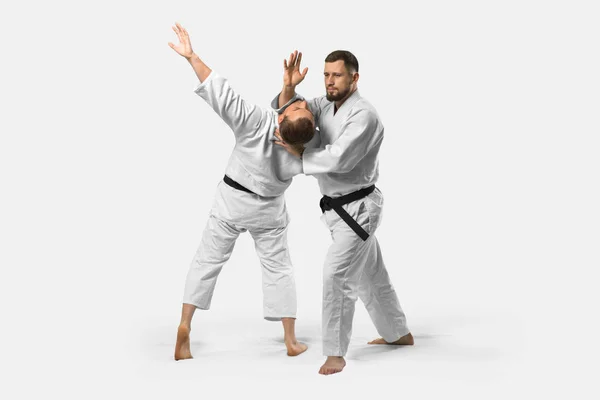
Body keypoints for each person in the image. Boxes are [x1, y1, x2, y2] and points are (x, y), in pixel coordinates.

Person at [168, 24, 314, 360]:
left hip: (231, 201)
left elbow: (222, 94)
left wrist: (192, 57)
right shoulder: (303, 151)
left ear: (282, 120)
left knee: (207, 260)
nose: (300, 102)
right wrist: (288, 88)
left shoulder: (257, 121)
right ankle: (291, 341)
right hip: (268, 210)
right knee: (279, 268)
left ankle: (185, 324)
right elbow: (304, 135)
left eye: (297, 105)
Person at [273, 50, 414, 375]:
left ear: (354, 77)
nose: (330, 81)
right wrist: (288, 88)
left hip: (359, 210)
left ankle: (335, 353)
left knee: (336, 276)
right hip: (337, 210)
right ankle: (398, 333)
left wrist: (297, 157)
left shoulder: (364, 115)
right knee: (370, 276)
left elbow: (338, 159)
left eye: (336, 75)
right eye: (326, 75)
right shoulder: (325, 104)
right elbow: (296, 114)